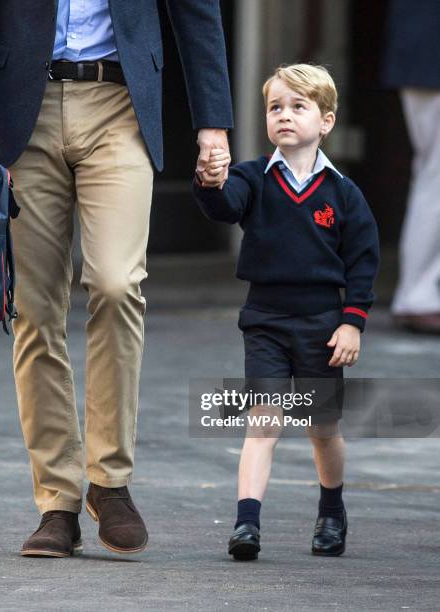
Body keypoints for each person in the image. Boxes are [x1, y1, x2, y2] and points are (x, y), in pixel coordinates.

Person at [0, 0, 233, 557]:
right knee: (35, 308)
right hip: (21, 107)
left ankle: (109, 481)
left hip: (121, 102)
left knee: (118, 283)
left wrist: (212, 123)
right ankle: (57, 502)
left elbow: (197, 10)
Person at [192, 64, 379, 560]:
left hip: (323, 326)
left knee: (322, 429)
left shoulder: (343, 193)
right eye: (276, 107)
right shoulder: (253, 177)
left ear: (327, 121)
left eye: (299, 107)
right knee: (263, 422)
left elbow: (363, 263)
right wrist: (211, 181)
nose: (285, 116)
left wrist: (352, 321)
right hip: (266, 321)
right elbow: (226, 205)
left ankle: (332, 510)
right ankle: (246, 524)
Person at [382, 0, 440, 333]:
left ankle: (419, 293)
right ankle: (419, 296)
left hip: (423, 52)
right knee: (435, 175)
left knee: (431, 173)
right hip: (430, 53)